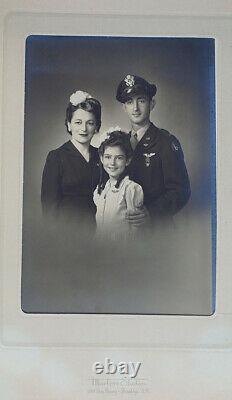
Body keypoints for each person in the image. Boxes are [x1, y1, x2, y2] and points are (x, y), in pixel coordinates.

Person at [116, 74, 191, 228]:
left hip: (157, 230)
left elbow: (180, 190)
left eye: (141, 101)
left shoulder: (165, 141)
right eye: (129, 102)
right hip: (125, 230)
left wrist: (151, 213)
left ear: (152, 104)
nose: (135, 108)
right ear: (124, 108)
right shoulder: (120, 143)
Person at [41, 90, 101, 235]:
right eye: (78, 122)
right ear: (69, 125)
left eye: (90, 123)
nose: (84, 129)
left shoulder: (102, 156)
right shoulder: (56, 157)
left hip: (97, 232)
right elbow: (49, 209)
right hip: (66, 235)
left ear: (97, 126)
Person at [93, 129, 144, 242]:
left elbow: (135, 231)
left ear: (128, 160)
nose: (112, 163)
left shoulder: (131, 189)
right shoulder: (101, 189)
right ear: (101, 158)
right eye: (108, 157)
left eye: (119, 158)